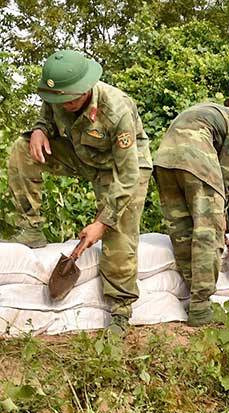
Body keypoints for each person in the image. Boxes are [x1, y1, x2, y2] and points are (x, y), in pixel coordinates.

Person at [4, 50, 151, 335]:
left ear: (86, 88)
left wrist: (102, 222)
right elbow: (46, 114)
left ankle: (120, 310)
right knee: (23, 149)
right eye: (59, 100)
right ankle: (31, 228)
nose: (65, 105)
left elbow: (129, 175)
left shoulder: (117, 108)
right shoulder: (56, 96)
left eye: (71, 99)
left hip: (121, 168)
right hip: (81, 156)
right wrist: (38, 129)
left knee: (117, 231)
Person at [153, 93, 229, 326]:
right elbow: (227, 172)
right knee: (208, 234)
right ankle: (201, 306)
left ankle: (193, 298)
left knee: (183, 232)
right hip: (196, 161)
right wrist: (221, 211)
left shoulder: (211, 112)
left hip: (164, 162)